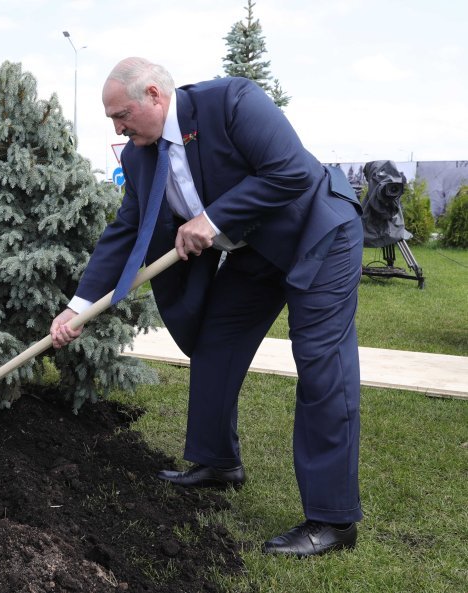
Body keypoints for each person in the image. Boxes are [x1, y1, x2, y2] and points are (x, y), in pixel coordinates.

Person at [50, 57, 364, 557]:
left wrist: (211, 219)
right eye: (111, 119)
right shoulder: (138, 157)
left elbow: (292, 172)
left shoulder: (232, 102)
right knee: (217, 341)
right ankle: (217, 463)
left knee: (322, 363)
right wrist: (78, 306)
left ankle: (333, 519)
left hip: (318, 234)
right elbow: (125, 231)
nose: (117, 127)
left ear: (155, 95)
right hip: (256, 252)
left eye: (122, 114)